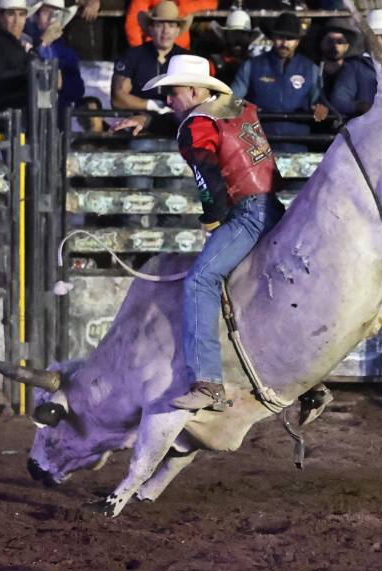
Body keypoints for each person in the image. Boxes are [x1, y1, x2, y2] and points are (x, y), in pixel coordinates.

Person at [111, 55, 285, 410]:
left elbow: (208, 176)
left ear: (192, 89)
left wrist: (213, 221)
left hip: (247, 213)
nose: (167, 100)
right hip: (274, 208)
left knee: (199, 281)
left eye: (171, 93)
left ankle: (207, 383)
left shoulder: (195, 126)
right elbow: (194, 123)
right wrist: (150, 121)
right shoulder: (233, 106)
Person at [231, 11, 326, 153]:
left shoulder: (311, 69)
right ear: (272, 37)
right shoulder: (251, 66)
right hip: (257, 150)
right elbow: (231, 101)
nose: (284, 43)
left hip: (297, 148)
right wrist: (246, 107)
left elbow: (319, 102)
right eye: (280, 37)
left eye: (290, 38)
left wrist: (321, 108)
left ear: (298, 41)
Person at [111, 0, 190, 115]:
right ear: (150, 28)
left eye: (171, 25)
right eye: (159, 25)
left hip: (176, 127)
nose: (166, 31)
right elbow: (117, 99)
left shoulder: (188, 59)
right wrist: (151, 105)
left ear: (178, 30)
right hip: (137, 127)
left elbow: (199, 98)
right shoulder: (132, 56)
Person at [24, 0, 85, 116]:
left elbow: (78, 90)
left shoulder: (66, 52)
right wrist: (42, 43)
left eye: (56, 13)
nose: (52, 18)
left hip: (58, 117)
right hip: (28, 115)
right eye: (46, 12)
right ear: (35, 16)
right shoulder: (23, 43)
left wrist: (62, 84)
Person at [124, 0, 215, 50]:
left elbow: (211, 3)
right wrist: (140, 53)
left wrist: (180, 10)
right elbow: (133, 23)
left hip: (181, 51)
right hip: (154, 50)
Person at [210, 9, 260, 86]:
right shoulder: (213, 63)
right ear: (225, 36)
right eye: (233, 35)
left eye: (242, 35)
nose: (238, 40)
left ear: (249, 38)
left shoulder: (256, 64)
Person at [316, 17, 356, 102]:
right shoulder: (312, 71)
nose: (335, 45)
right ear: (321, 43)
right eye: (329, 41)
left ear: (347, 46)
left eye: (340, 41)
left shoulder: (355, 73)